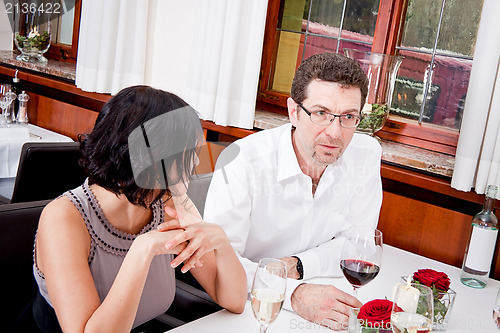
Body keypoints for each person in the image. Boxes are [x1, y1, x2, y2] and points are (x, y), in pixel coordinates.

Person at [27, 86, 247, 332]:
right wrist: (143, 248)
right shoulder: (64, 218)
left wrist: (222, 242)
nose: (195, 162)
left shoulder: (170, 200)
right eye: (188, 153)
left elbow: (235, 300)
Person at [203, 52, 383, 329]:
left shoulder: (366, 153)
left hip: (322, 291)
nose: (335, 133)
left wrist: (298, 265)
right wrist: (293, 293)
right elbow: (220, 263)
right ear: (293, 112)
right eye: (321, 113)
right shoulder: (243, 161)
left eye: (348, 116)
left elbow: (358, 244)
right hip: (248, 308)